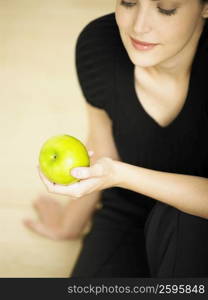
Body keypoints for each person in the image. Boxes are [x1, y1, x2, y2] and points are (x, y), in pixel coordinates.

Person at [24, 0, 208, 278]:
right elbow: (103, 143)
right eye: (128, 1)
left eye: (166, 8)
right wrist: (69, 223)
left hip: (199, 219)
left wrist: (119, 175)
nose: (138, 26)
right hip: (130, 209)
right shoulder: (99, 44)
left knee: (183, 220)